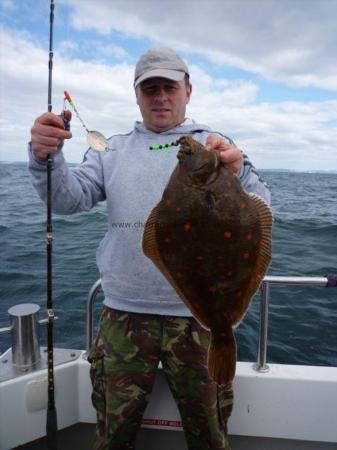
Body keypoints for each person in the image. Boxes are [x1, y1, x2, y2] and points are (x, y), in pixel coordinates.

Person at [29, 47, 271, 450]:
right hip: (125, 315)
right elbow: (69, 199)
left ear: (187, 91)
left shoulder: (216, 145)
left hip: (200, 323)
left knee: (210, 434)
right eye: (150, 88)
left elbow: (261, 207)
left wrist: (238, 168)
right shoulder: (112, 150)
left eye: (169, 87)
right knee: (113, 435)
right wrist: (45, 159)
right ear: (137, 95)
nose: (160, 97)